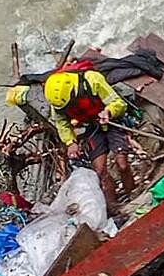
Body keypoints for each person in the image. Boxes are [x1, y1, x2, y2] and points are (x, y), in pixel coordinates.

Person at [43, 68, 137, 211]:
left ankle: (133, 196)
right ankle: (114, 207)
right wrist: (71, 142)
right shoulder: (58, 103)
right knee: (100, 172)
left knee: (122, 163)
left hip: (112, 121)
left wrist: (109, 112)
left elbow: (119, 103)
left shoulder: (92, 80)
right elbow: (62, 123)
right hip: (92, 127)